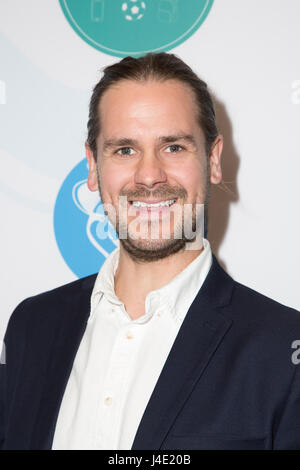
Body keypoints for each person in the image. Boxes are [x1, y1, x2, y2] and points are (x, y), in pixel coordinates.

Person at [1, 52, 300, 450]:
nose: (149, 176)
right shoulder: (31, 328)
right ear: (93, 165)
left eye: (173, 147)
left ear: (212, 159)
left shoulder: (282, 348)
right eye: (124, 150)